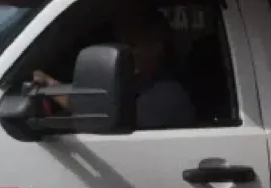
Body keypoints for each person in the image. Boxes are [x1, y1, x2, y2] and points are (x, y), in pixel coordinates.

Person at [34, 8, 196, 130]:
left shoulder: (168, 93)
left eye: (132, 44)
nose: (123, 54)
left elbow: (99, 114)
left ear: (158, 47)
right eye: (120, 44)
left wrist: (49, 85)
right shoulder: (139, 85)